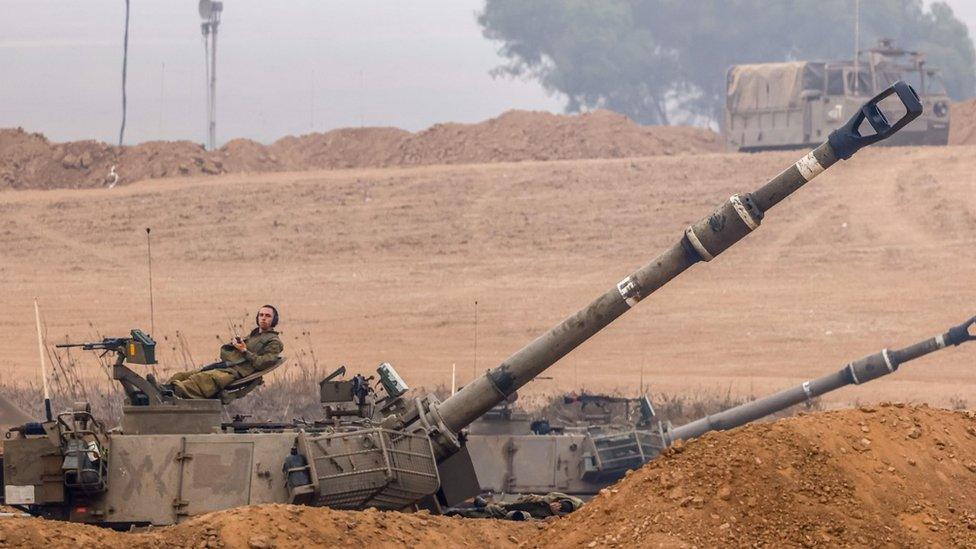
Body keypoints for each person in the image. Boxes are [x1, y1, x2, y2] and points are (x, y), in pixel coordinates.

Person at [166, 305, 284, 399]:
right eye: (261, 315)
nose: (263, 318)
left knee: (201, 379)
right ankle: (162, 389)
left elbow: (262, 363)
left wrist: (244, 350)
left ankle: (168, 393)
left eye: (267, 316)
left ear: (274, 320)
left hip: (236, 372)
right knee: (181, 375)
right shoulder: (253, 335)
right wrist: (235, 345)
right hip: (226, 366)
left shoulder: (274, 342)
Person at [445, 492, 584, 521]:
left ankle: (462, 512)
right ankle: (456, 512)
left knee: (506, 513)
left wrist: (563, 509)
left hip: (536, 515)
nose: (557, 505)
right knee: (502, 508)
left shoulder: (579, 511)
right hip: (532, 504)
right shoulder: (555, 499)